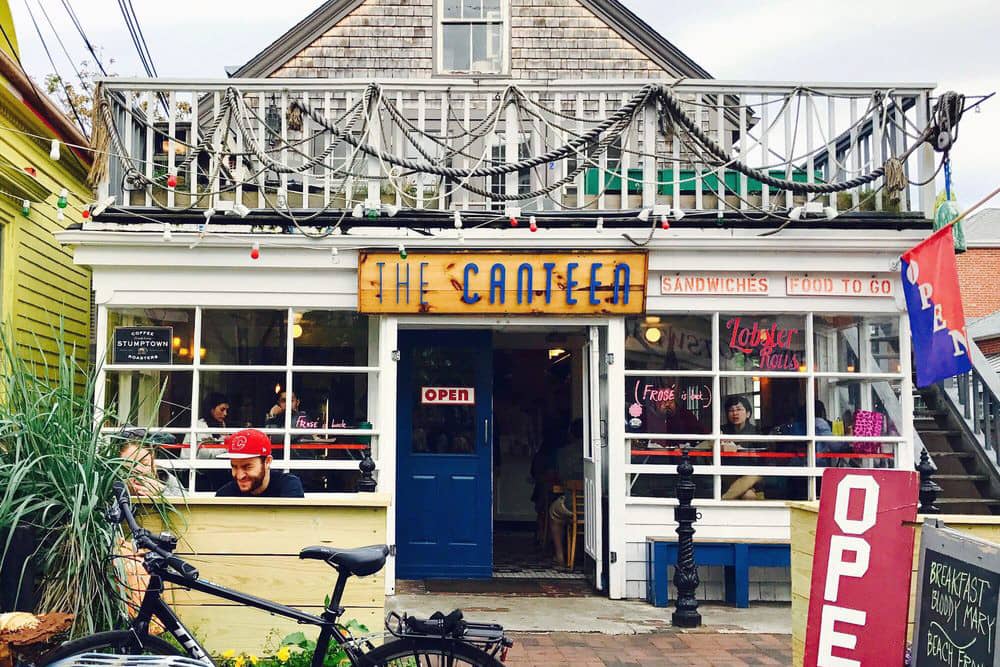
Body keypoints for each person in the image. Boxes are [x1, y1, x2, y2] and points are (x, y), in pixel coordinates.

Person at [215, 428, 304, 498]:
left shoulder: (288, 486)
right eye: (234, 467)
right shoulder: (225, 495)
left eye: (247, 467)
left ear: (268, 462)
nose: (240, 476)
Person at [547, 419, 584, 568]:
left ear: (571, 434)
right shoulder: (597, 450)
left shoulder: (563, 452)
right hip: (597, 507)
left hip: (571, 505)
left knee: (553, 513)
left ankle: (560, 556)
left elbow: (561, 477)